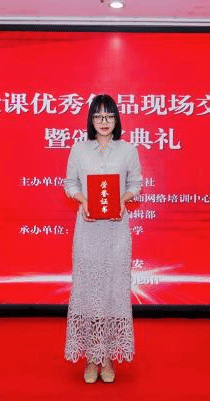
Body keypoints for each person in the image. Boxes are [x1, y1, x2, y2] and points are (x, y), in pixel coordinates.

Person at [63, 94, 142, 383]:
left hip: (116, 231)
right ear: (91, 120)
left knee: (112, 292)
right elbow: (69, 183)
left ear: (116, 119)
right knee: (88, 292)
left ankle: (107, 357)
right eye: (98, 116)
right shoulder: (79, 149)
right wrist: (82, 199)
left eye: (109, 116)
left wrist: (122, 200)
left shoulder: (128, 149)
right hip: (88, 229)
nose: (104, 122)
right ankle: (90, 358)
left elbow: (136, 183)